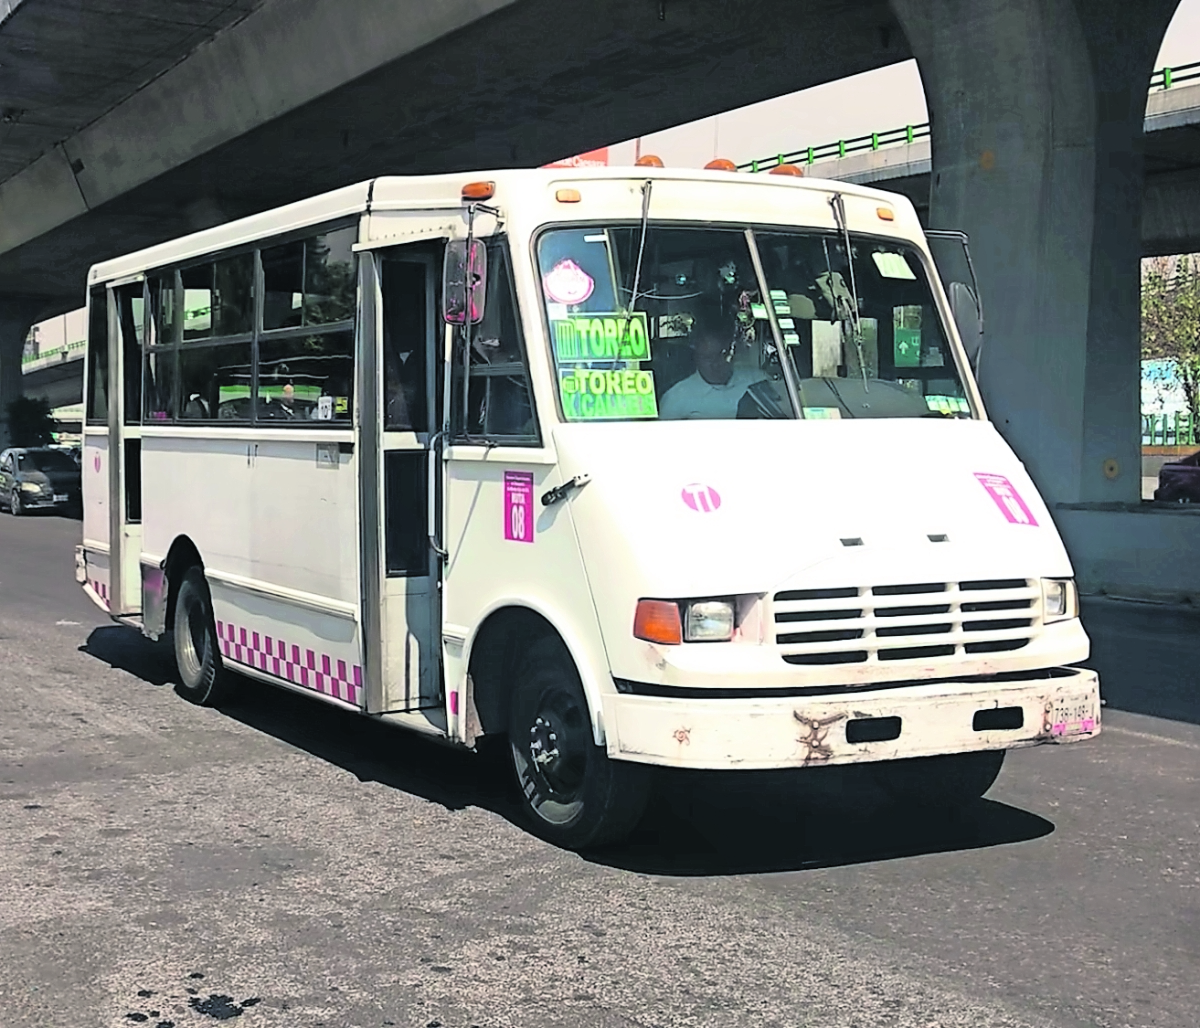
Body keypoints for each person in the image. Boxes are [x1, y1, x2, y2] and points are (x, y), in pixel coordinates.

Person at [658, 305, 767, 420]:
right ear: (696, 357)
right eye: (708, 358)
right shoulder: (676, 398)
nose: (715, 364)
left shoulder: (757, 382)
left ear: (732, 350)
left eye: (721, 354)